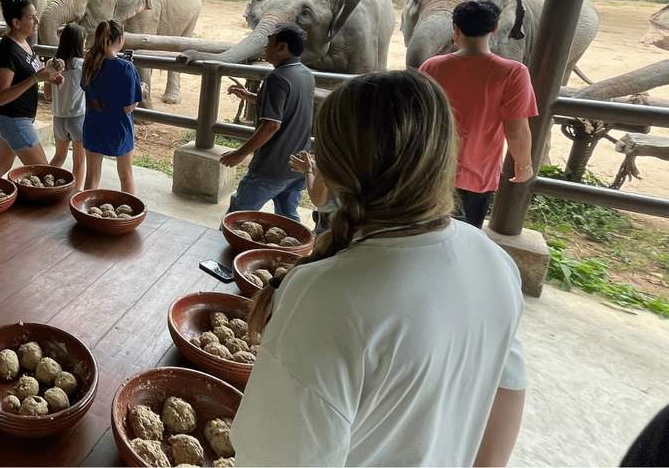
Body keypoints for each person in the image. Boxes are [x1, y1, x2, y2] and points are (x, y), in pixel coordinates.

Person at [229, 70, 527, 466]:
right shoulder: (492, 261)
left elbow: (271, 458)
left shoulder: (324, 296)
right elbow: (508, 391)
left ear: (333, 168)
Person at [419, 0, 537, 227]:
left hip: (430, 171)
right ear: (494, 29)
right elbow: (516, 128)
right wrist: (524, 165)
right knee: (464, 238)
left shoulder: (431, 67)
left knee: (425, 234)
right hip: (477, 176)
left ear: (456, 29)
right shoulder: (513, 72)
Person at [221, 25, 314, 222]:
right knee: (288, 218)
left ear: (281, 47)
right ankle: (293, 251)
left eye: (269, 44)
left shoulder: (277, 78)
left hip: (271, 167)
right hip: (296, 165)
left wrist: (240, 153)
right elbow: (287, 108)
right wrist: (252, 97)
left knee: (238, 215)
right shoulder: (305, 74)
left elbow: (272, 125)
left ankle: (225, 250)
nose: (264, 49)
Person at [0, 0, 59, 177]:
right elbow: (2, 97)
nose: (36, 21)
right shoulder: (7, 50)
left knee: (1, 167)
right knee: (44, 174)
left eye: (36, 16)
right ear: (16, 23)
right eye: (31, 17)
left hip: (17, 118)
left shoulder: (25, 43)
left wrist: (49, 76)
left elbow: (29, 75)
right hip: (13, 119)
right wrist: (36, 78)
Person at [80, 20, 142, 194]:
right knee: (125, 175)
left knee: (91, 176)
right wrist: (141, 88)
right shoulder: (126, 68)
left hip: (93, 125)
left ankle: (87, 212)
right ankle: (127, 216)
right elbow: (128, 107)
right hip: (119, 128)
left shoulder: (90, 64)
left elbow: (86, 88)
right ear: (120, 39)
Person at [46, 24, 87, 188]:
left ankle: (43, 186)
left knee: (59, 157)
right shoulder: (81, 65)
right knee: (79, 163)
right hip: (78, 118)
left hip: (58, 119)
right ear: (79, 42)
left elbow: (47, 95)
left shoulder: (51, 63)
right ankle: (75, 195)